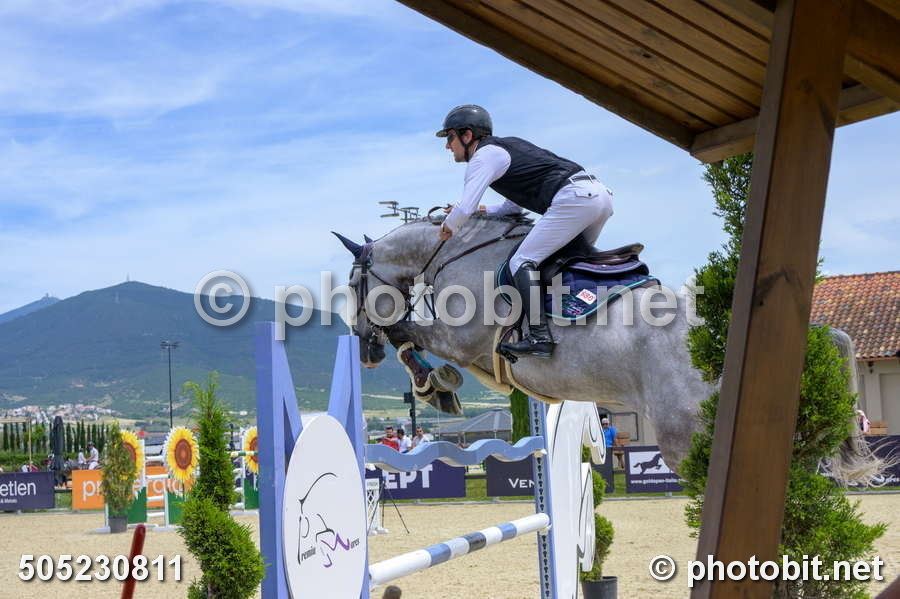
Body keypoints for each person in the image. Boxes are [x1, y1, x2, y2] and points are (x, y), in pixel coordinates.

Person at [436, 105, 614, 359]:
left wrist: (446, 228)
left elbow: (464, 208)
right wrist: (481, 210)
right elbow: (510, 208)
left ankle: (539, 337)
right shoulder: (506, 149)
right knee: (562, 262)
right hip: (597, 198)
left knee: (521, 260)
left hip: (574, 200)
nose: (447, 146)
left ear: (467, 135)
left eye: (450, 137)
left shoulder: (483, 157)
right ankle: (576, 321)